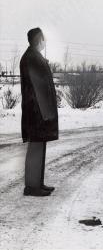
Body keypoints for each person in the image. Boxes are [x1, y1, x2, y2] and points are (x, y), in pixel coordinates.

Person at [20, 28, 58, 196]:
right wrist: (45, 112)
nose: (45, 42)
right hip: (36, 111)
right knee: (36, 146)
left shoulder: (33, 57)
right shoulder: (32, 58)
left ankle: (37, 183)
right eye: (43, 39)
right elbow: (38, 88)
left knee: (39, 145)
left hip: (38, 110)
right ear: (38, 39)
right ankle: (32, 186)